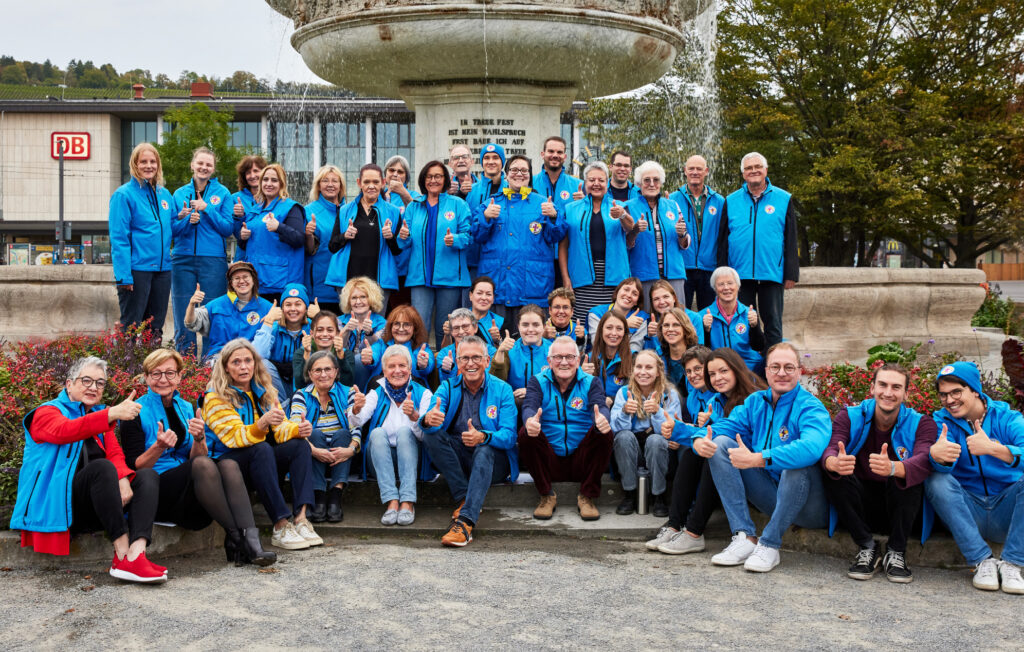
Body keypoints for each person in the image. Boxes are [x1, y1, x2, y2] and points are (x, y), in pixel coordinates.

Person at [11, 356, 166, 582]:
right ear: (69, 384)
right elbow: (65, 430)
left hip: (101, 504)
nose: (94, 387)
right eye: (86, 381)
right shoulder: (46, 413)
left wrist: (123, 479)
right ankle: (122, 555)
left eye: (100, 383)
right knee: (101, 467)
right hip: (63, 507)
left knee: (147, 476)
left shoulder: (97, 416)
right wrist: (111, 414)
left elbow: (115, 453)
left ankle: (136, 555)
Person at [679, 343, 829, 572]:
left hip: (810, 508)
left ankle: (769, 544)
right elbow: (726, 426)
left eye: (789, 367)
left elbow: (811, 448)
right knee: (721, 444)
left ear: (799, 371)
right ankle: (744, 537)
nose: (781, 373)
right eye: (775, 367)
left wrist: (760, 458)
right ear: (766, 371)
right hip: (772, 497)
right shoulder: (755, 402)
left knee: (797, 465)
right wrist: (699, 438)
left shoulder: (811, 407)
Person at [120, 349, 275, 566]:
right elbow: (135, 467)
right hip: (156, 491)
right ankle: (238, 540)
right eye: (156, 373)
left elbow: (196, 456)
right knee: (203, 464)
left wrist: (200, 438)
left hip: (187, 489)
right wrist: (158, 447)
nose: (163, 379)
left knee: (228, 465)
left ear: (179, 376)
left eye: (170, 373)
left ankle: (248, 538)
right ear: (146, 377)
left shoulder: (185, 407)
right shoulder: (134, 411)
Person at [202, 338, 321, 551]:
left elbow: (281, 427)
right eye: (236, 362)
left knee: (299, 446)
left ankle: (301, 519)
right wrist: (262, 424)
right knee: (262, 448)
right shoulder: (214, 397)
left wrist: (298, 429)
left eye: (248, 361)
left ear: (255, 364)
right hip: (227, 466)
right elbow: (234, 438)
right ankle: (280, 525)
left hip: (259, 461)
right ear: (226, 367)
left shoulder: (264, 390)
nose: (244, 366)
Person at [821, 363, 936, 583]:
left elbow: (924, 459)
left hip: (902, 509)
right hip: (860, 507)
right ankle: (867, 547)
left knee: (907, 474)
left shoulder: (922, 423)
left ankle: (896, 551)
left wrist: (894, 467)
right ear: (872, 388)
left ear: (906, 393)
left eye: (896, 387)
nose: (888, 393)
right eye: (882, 385)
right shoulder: (850, 416)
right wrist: (833, 462)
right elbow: (832, 446)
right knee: (835, 471)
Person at [651, 347, 765, 555]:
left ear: (736, 369)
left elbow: (728, 429)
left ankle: (694, 531)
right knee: (694, 453)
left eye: (723, 371)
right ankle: (675, 525)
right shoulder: (717, 400)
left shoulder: (754, 398)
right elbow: (711, 431)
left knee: (715, 450)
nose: (717, 378)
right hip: (735, 468)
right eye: (712, 374)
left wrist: (688, 431)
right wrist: (678, 429)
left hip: (759, 470)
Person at [925, 361, 1024, 594]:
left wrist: (993, 449)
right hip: (968, 512)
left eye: (956, 392)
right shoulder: (940, 421)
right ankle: (982, 561)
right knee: (936, 480)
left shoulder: (1008, 418)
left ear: (975, 390)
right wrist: (937, 457)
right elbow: (941, 469)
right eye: (943, 395)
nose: (949, 400)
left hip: (1008, 512)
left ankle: (1012, 563)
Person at [421, 336, 518, 546]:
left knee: (484, 449)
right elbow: (430, 416)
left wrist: (484, 436)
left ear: (487, 361)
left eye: (476, 357)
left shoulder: (503, 389)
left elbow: (510, 436)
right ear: (457, 362)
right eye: (465, 358)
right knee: (431, 434)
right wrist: (429, 419)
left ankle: (465, 522)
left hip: (494, 462)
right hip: (460, 458)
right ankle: (465, 497)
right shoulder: (447, 387)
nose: (470, 363)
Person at [519, 336, 614, 521]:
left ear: (578, 360)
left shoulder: (591, 382)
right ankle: (546, 495)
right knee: (525, 433)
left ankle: (587, 496)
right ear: (549, 361)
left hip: (581, 459)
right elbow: (529, 406)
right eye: (558, 357)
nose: (564, 362)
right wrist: (530, 420)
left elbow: (600, 406)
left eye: (570, 357)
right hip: (550, 459)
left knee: (605, 432)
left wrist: (602, 418)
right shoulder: (537, 381)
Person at [717, 152, 799, 348]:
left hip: (771, 272)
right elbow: (723, 241)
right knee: (741, 323)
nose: (753, 171)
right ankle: (744, 362)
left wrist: (791, 274)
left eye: (757, 167)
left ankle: (773, 361)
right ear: (743, 174)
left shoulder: (783, 198)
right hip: (739, 274)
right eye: (748, 168)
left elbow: (791, 238)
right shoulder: (731, 200)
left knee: (773, 323)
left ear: (765, 170)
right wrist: (722, 272)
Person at [473, 154, 567, 322]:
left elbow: (556, 236)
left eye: (524, 170)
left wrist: (553, 217)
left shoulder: (543, 204)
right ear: (506, 174)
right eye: (514, 169)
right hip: (498, 283)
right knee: (496, 334)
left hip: (532, 284)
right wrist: (485, 217)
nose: (519, 174)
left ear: (530, 175)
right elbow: (477, 236)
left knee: (530, 334)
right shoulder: (491, 203)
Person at [350, 345, 433, 526]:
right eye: (391, 366)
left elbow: (425, 436)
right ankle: (391, 501)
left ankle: (407, 501)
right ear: (384, 370)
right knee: (377, 432)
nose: (397, 371)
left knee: (405, 431)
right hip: (381, 461)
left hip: (413, 461)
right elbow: (357, 421)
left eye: (402, 366)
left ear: (410, 369)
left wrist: (414, 416)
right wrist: (356, 408)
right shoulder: (376, 392)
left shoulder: (424, 394)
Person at [170, 147, 234, 356]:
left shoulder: (223, 193)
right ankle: (185, 362)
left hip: (213, 260)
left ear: (213, 169)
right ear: (192, 165)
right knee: (182, 311)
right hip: (182, 258)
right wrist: (187, 220)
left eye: (208, 164)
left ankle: (210, 362)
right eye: (200, 163)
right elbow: (172, 230)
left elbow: (228, 228)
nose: (204, 167)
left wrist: (207, 208)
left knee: (212, 311)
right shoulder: (179, 193)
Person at [109, 142, 175, 337]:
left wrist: (189, 218)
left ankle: (153, 359)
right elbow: (119, 238)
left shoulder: (164, 194)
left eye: (153, 161)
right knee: (130, 328)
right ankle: (126, 359)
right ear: (134, 164)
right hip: (137, 270)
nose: (149, 166)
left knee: (155, 329)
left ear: (158, 164)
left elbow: (172, 228)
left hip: (163, 270)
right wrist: (123, 276)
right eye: (143, 162)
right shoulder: (123, 195)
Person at [403, 160, 473, 344]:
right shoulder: (413, 206)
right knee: (420, 326)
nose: (433, 180)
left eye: (438, 176)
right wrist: (402, 236)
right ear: (423, 180)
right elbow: (404, 242)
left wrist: (455, 239)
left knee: (446, 328)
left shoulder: (458, 204)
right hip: (420, 277)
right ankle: (421, 360)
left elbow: (469, 236)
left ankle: (445, 360)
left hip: (450, 277)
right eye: (429, 176)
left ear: (445, 180)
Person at [289, 351, 361, 524]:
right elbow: (295, 427)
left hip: (342, 458)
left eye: (328, 369)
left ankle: (336, 496)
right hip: (313, 457)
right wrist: (314, 451)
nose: (323, 374)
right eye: (318, 370)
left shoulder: (349, 392)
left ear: (336, 371)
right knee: (313, 433)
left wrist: (351, 450)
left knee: (343, 433)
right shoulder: (301, 395)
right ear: (309, 374)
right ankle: (319, 496)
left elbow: (355, 427)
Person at [559, 161, 634, 322]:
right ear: (585, 182)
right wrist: (565, 277)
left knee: (612, 322)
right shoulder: (571, 208)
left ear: (607, 182)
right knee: (582, 321)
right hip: (581, 275)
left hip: (613, 276)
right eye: (592, 180)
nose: (596, 184)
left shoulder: (620, 206)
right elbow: (563, 245)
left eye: (601, 180)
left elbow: (630, 229)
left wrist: (622, 215)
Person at [610, 350, 680, 516]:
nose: (643, 372)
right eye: (639, 367)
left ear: (658, 372)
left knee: (655, 440)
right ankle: (630, 493)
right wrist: (625, 412)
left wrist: (657, 412)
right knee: (623, 437)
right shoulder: (624, 393)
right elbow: (614, 429)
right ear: (633, 370)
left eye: (649, 367)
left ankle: (659, 495)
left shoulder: (670, 395)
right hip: (633, 451)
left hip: (660, 452)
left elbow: (674, 429)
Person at [326, 164, 406, 305]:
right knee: (350, 319)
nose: (371, 186)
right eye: (366, 182)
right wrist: (345, 235)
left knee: (377, 319)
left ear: (383, 183)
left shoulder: (393, 212)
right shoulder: (344, 210)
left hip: (379, 280)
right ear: (359, 183)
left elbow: (398, 250)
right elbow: (332, 246)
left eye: (375, 182)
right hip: (348, 280)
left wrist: (390, 237)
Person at [236, 164, 306, 303]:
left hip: (279, 283)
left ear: (282, 184)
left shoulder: (291, 207)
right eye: (265, 179)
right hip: (256, 281)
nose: (269, 184)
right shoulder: (255, 210)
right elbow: (245, 245)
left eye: (274, 180)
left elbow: (299, 239)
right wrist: (242, 237)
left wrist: (279, 227)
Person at [625, 161, 689, 309]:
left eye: (656, 180)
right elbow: (625, 244)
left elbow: (684, 243)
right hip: (643, 275)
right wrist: (635, 230)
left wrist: (682, 234)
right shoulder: (628, 207)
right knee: (646, 317)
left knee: (676, 316)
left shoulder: (672, 205)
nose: (652, 184)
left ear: (661, 183)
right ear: (639, 184)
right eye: (647, 180)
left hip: (673, 274)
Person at [184, 261, 273, 362]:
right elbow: (191, 323)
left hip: (253, 358)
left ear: (253, 280)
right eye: (237, 278)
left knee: (267, 367)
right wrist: (191, 304)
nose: (242, 281)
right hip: (220, 357)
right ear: (231, 283)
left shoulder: (267, 308)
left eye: (245, 277)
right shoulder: (216, 305)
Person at [669, 155, 725, 311]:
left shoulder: (719, 201)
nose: (695, 172)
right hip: (681, 267)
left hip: (709, 267)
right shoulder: (671, 200)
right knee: (680, 313)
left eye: (699, 169)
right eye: (691, 168)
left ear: (706, 171)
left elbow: (724, 237)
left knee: (709, 315)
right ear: (685, 171)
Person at [463, 143, 508, 304]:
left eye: (496, 157)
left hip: (501, 260)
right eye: (487, 158)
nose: (491, 161)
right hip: (473, 260)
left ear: (502, 162)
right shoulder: (471, 191)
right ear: (481, 162)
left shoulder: (510, 189)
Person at [253, 282, 312, 402]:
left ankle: (304, 405)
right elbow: (256, 355)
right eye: (288, 304)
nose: (293, 309)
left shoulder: (313, 327)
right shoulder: (273, 327)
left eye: (298, 304)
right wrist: (268, 321)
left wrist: (319, 317)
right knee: (262, 364)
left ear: (306, 308)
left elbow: (331, 351)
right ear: (282, 309)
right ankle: (281, 409)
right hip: (278, 384)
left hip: (306, 381)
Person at [702, 266, 765, 375]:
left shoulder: (749, 313)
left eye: (730, 283)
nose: (726, 288)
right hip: (719, 368)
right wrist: (706, 330)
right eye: (721, 284)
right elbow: (702, 353)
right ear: (715, 289)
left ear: (738, 286)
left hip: (747, 367)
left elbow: (759, 346)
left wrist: (754, 326)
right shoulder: (703, 316)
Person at [304, 165, 347, 315]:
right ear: (318, 185)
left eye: (335, 181)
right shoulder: (308, 211)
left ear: (341, 185)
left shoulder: (350, 211)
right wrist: (308, 234)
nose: (330, 184)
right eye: (325, 180)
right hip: (319, 285)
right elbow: (309, 250)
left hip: (346, 286)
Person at [359, 305, 435, 387]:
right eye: (397, 324)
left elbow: (429, 365)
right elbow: (373, 355)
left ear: (414, 328)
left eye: (407, 324)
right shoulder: (381, 344)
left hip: (412, 391)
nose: (401, 329)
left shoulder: (421, 348)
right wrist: (369, 359)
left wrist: (423, 365)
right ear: (390, 327)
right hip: (381, 391)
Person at [492, 304, 551, 404]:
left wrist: (532, 392)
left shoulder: (554, 350)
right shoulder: (509, 350)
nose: (530, 329)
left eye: (536, 325)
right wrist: (500, 352)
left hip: (546, 406)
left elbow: (561, 386)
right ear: (518, 326)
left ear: (544, 327)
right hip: (514, 405)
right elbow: (495, 386)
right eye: (525, 325)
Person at [337, 276, 388, 390]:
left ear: (371, 299)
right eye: (354, 298)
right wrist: (345, 331)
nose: (358, 302)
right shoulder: (338, 321)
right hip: (342, 368)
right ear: (348, 301)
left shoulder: (382, 323)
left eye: (363, 297)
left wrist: (370, 334)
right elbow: (336, 349)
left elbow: (378, 350)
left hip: (370, 369)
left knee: (360, 360)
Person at [292, 310, 355, 390]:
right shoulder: (301, 353)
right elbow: (299, 385)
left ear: (337, 333)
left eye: (330, 330)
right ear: (312, 333)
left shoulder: (346, 354)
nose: (325, 334)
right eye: (320, 330)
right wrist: (307, 354)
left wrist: (341, 356)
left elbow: (347, 384)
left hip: (337, 396)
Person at [587, 277, 649, 353]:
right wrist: (624, 324)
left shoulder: (641, 318)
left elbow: (634, 351)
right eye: (626, 290)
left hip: (627, 359)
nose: (629, 295)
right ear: (617, 292)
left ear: (637, 301)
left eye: (634, 294)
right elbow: (597, 345)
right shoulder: (596, 313)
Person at [586, 309, 633, 406]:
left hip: (621, 411)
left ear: (625, 332)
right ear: (601, 330)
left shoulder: (634, 359)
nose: (614, 333)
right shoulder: (587, 359)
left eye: (619, 329)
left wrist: (612, 400)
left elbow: (634, 392)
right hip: (593, 410)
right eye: (609, 327)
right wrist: (581, 376)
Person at [436, 308, 497, 383]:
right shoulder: (444, 354)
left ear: (475, 328)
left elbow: (489, 380)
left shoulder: (490, 351)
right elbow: (445, 384)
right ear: (451, 332)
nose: (461, 332)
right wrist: (447, 371)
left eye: (465, 326)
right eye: (456, 328)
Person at [646, 280, 703, 354]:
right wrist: (651, 336)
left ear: (674, 298)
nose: (662, 302)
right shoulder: (649, 322)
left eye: (666, 297)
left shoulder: (694, 318)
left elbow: (699, 350)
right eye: (656, 299)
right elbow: (649, 354)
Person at [229, 155, 267, 262]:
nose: (252, 175)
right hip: (244, 256)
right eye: (248, 172)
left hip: (267, 256)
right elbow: (236, 234)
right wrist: (239, 217)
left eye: (256, 171)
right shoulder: (235, 198)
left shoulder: (273, 197)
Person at [532, 136, 582, 213]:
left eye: (559, 152)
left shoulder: (578, 186)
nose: (555, 155)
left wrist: (585, 203)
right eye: (551, 151)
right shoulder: (530, 184)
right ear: (542, 154)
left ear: (565, 157)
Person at [656, 308, 701, 388]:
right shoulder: (657, 357)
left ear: (685, 328)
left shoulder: (699, 356)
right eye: (666, 325)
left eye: (676, 325)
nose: (670, 329)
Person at [465, 276, 504, 347]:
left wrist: (497, 340)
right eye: (479, 293)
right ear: (471, 295)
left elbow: (505, 352)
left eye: (488, 294)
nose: (483, 298)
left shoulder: (500, 322)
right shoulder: (459, 319)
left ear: (493, 299)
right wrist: (447, 335)